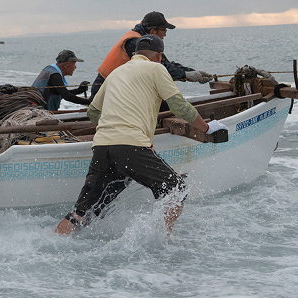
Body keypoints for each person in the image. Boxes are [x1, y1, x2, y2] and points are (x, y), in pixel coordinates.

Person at [55, 34, 227, 237]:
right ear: (159, 55)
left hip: (101, 147)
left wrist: (113, 123)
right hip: (131, 146)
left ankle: (54, 243)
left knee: (83, 212)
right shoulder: (156, 69)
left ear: (135, 53)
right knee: (177, 190)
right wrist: (207, 128)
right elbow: (180, 107)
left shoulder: (115, 74)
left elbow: (92, 112)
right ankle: (161, 242)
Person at [89, 11, 214, 97]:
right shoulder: (135, 43)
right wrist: (186, 74)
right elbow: (159, 68)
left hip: (117, 88)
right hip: (104, 92)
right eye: (164, 30)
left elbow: (165, 64)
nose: (165, 34)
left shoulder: (144, 41)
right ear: (153, 31)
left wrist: (192, 72)